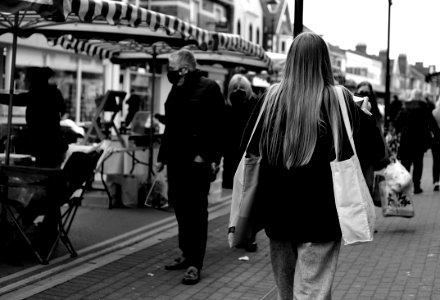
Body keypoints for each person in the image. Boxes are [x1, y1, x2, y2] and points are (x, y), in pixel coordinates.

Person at [245, 32, 385, 299]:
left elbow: (248, 148)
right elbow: (376, 152)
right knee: (313, 293)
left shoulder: (270, 100)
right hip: (322, 216)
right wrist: (365, 118)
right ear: (324, 62)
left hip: (278, 214)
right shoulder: (341, 100)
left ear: (291, 60)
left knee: (287, 294)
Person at [156, 49, 225, 285]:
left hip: (196, 162)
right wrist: (162, 158)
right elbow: (171, 127)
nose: (169, 72)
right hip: (176, 160)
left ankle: (196, 263)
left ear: (184, 69)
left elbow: (218, 127)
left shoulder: (209, 88)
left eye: (171, 67)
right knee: (180, 208)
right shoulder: (177, 89)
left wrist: (206, 156)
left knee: (196, 213)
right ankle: (186, 253)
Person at [222, 73, 261, 252]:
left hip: (249, 158)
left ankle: (249, 235)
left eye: (242, 89)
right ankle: (237, 231)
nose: (238, 92)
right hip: (233, 157)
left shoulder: (255, 106)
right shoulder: (228, 108)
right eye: (234, 89)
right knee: (238, 197)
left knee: (249, 197)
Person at [0, 67, 68, 167]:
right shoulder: (53, 93)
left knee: (42, 176)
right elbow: (62, 110)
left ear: (33, 80)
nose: (24, 81)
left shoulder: (39, 95)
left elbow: (16, 99)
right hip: (55, 146)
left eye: (26, 78)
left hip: (47, 147)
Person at [394, 89, 440, 194]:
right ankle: (417, 186)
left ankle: (404, 185)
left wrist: (402, 129)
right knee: (418, 164)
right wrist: (436, 137)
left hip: (406, 140)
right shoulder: (425, 108)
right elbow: (432, 124)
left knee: (406, 163)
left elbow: (397, 124)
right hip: (419, 141)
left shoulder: (405, 107)